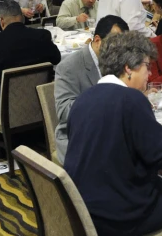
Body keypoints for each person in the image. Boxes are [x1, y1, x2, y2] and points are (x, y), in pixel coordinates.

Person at [64, 31, 162, 236]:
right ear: (128, 68)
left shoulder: (84, 97)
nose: (149, 74)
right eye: (147, 66)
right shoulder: (131, 99)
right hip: (117, 215)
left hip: (81, 206)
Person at [0, 0, 61, 127]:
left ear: (1, 21)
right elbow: (56, 58)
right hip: (38, 102)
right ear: (21, 17)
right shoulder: (42, 36)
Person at [54, 15, 129, 164]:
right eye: (116, 45)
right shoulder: (69, 67)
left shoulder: (118, 62)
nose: (120, 51)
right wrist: (104, 103)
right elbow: (64, 111)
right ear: (97, 41)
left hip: (114, 130)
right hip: (80, 136)